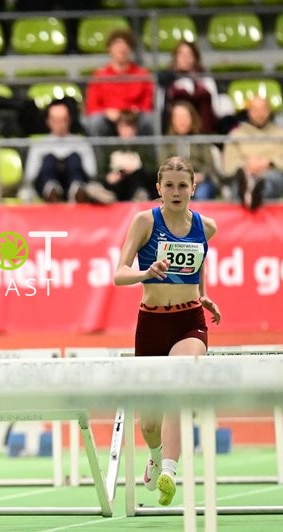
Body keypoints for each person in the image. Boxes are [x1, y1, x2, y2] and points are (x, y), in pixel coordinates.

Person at [113, 155, 221, 508]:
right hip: (152, 324)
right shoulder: (145, 221)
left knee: (178, 379)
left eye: (183, 186)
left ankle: (170, 474)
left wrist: (203, 294)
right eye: (170, 186)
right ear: (159, 188)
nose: (176, 192)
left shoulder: (206, 227)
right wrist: (145, 273)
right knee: (149, 424)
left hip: (189, 321)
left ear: (193, 187)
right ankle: (157, 456)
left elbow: (199, 261)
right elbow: (119, 274)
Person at [24, 100, 114, 204]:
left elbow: (91, 172)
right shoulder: (39, 144)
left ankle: (77, 191)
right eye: (55, 120)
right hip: (45, 186)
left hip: (75, 184)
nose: (59, 124)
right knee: (49, 159)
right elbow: (30, 175)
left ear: (69, 119)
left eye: (63, 119)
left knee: (74, 158)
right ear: (48, 121)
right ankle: (52, 191)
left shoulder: (81, 142)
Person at [222, 97, 283, 210]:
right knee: (239, 182)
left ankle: (251, 194)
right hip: (245, 175)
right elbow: (228, 166)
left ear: (269, 111)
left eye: (263, 109)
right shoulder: (236, 135)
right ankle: (250, 193)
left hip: (272, 175)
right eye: (255, 110)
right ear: (248, 112)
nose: (259, 114)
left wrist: (270, 162)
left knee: (270, 181)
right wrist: (247, 165)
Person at [84, 28, 154, 137]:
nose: (122, 47)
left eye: (126, 43)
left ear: (130, 48)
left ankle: (147, 149)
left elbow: (147, 103)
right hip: (109, 120)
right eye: (117, 43)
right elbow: (92, 106)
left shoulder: (142, 74)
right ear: (109, 48)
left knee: (149, 119)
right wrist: (106, 112)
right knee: (96, 121)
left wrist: (132, 114)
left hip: (135, 118)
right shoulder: (99, 75)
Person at [157, 41, 229, 135]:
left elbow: (215, 107)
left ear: (195, 57)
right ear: (175, 57)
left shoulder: (205, 79)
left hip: (202, 125)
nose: (185, 58)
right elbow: (161, 107)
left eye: (189, 54)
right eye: (181, 54)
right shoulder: (165, 79)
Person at [159, 101, 223, 201]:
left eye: (185, 117)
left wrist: (198, 177)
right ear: (172, 120)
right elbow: (162, 165)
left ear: (192, 119)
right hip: (174, 182)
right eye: (177, 117)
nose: (181, 121)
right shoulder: (167, 143)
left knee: (202, 193)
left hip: (199, 182)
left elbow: (209, 165)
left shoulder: (201, 141)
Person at [98, 112, 158, 202]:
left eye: (129, 127)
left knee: (137, 178)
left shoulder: (143, 148)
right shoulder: (110, 148)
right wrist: (108, 177)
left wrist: (136, 170)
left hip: (137, 186)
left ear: (135, 128)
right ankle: (105, 196)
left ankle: (139, 196)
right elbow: (100, 173)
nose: (125, 131)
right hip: (116, 188)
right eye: (122, 127)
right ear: (117, 128)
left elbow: (152, 171)